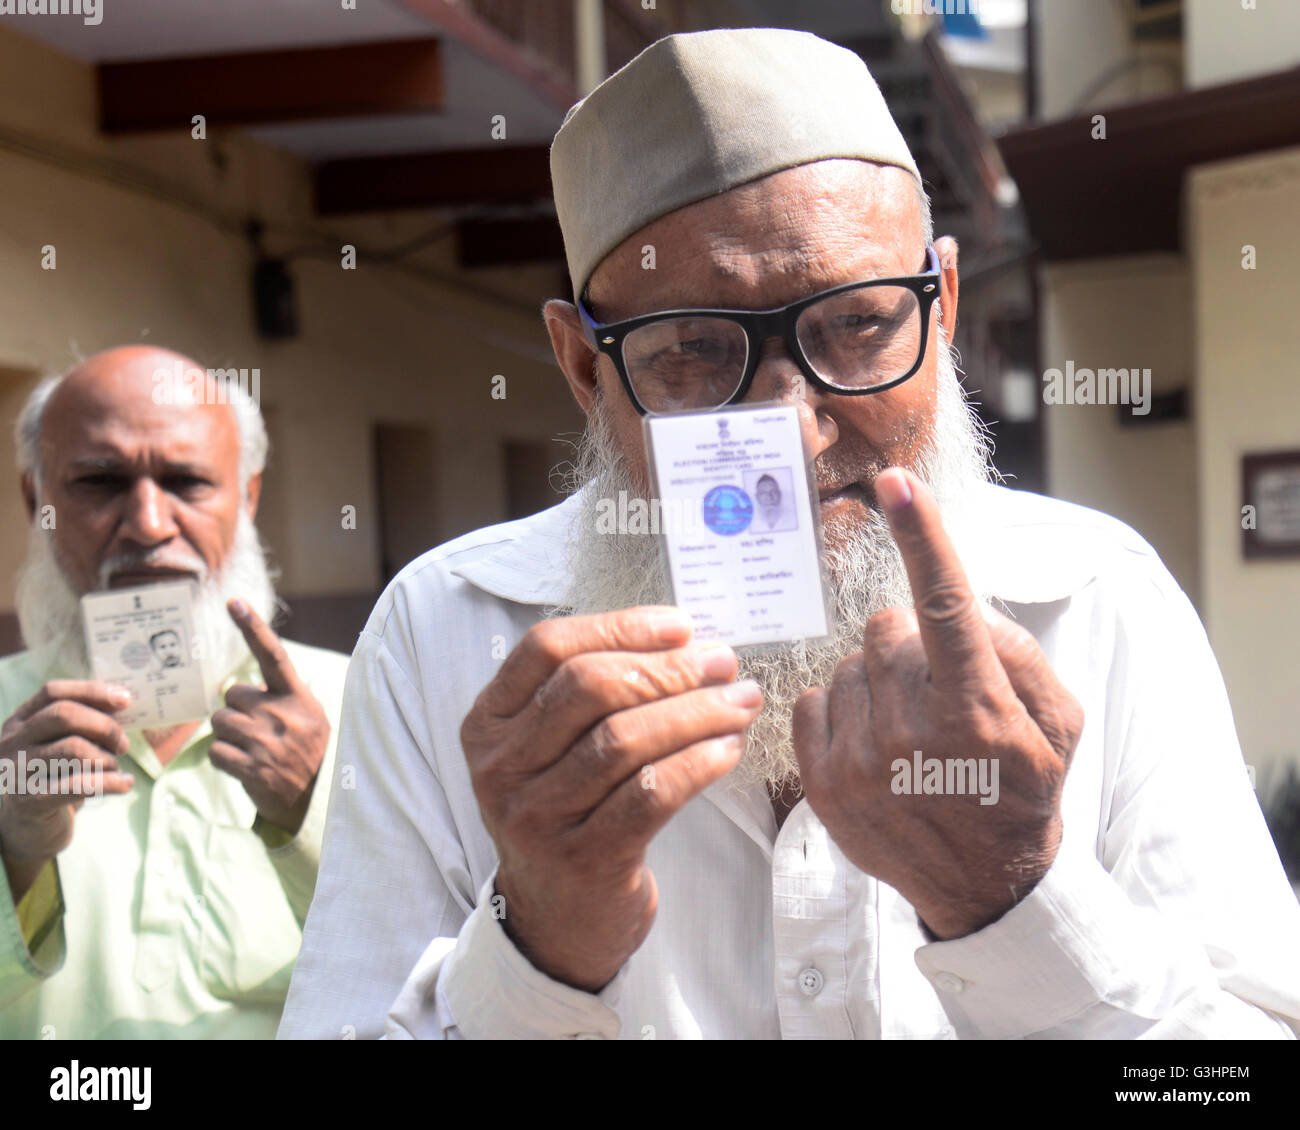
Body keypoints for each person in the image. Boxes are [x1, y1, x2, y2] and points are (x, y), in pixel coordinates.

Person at [280, 29, 1300, 1040]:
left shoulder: (1099, 600)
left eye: (858, 324)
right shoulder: (443, 634)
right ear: (585, 368)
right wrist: (536, 946)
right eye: (690, 349)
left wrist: (1018, 900)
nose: (793, 428)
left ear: (941, 308)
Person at [0, 346, 350, 1039]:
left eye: (186, 481)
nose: (149, 525)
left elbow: (437, 976)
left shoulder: (365, 700)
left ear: (247, 498)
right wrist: (14, 848)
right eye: (99, 482)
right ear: (36, 500)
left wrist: (313, 816)